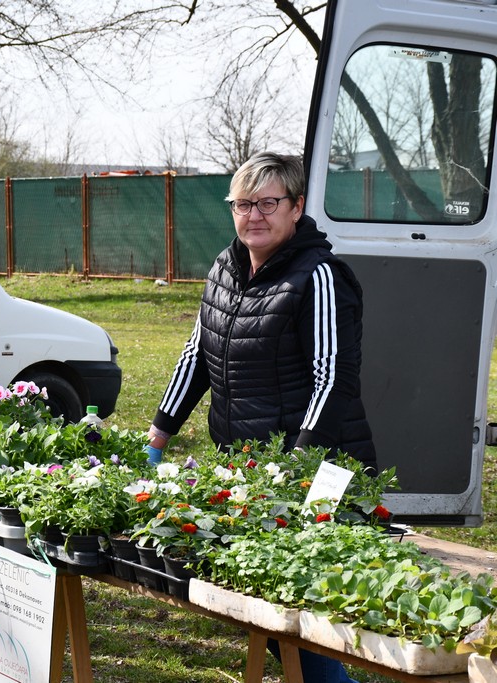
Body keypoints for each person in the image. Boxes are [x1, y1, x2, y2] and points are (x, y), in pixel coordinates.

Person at [145, 152, 376, 683]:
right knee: (273, 614)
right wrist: (160, 431)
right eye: (243, 204)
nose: (254, 215)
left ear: (296, 208)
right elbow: (198, 353)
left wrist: (296, 470)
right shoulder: (225, 270)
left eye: (268, 203)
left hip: (320, 470)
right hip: (251, 468)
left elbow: (332, 380)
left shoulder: (317, 277)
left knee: (306, 610)